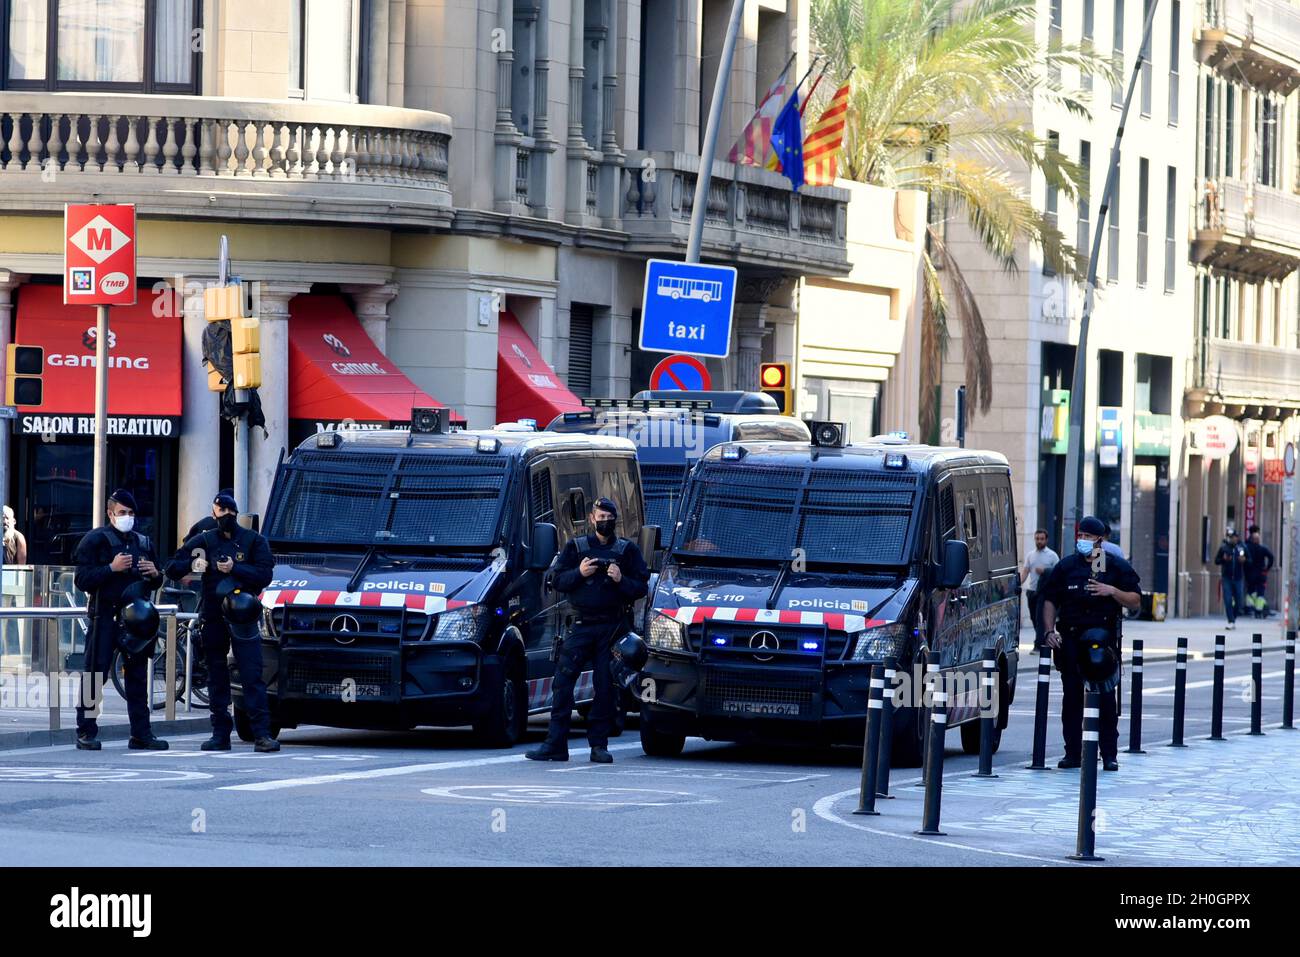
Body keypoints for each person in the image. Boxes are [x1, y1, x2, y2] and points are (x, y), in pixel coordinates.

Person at [527, 497, 649, 763]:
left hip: (611, 627)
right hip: (582, 624)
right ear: (591, 519)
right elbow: (557, 580)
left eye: (608, 517)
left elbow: (641, 587)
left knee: (605, 688)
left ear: (614, 519)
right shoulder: (576, 547)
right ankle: (555, 745)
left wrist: (620, 579)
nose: (604, 522)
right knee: (562, 683)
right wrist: (580, 573)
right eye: (600, 517)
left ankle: (599, 746)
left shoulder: (626, 550)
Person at [166, 490, 277, 752]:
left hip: (244, 616)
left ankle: (262, 733)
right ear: (213, 513)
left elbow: (265, 574)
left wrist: (235, 569)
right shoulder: (204, 540)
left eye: (229, 512)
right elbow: (172, 566)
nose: (225, 516)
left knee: (252, 673)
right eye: (220, 511)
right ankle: (220, 733)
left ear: (236, 513)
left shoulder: (252, 540)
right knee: (216, 675)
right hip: (214, 615)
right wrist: (196, 564)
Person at [1038, 515, 1142, 772]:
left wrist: (1112, 591)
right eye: (1080, 535)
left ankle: (1109, 754)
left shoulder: (1114, 566)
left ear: (1099, 540)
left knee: (1106, 700)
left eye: (1087, 536)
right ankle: (1073, 753)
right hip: (1071, 638)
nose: (1082, 540)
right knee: (1072, 698)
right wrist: (1048, 631)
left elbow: (1136, 600)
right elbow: (1050, 599)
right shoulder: (1066, 566)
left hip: (1101, 641)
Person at [72, 489, 168, 751]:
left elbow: (157, 577)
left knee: (137, 678)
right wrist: (110, 569)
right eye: (122, 513)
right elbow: (81, 580)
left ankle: (141, 734)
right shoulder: (95, 540)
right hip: (105, 616)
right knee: (95, 674)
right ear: (110, 513)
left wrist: (154, 574)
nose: (127, 517)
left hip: (136, 620)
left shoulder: (143, 542)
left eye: (131, 513)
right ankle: (86, 731)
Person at [1019, 529, 1059, 648]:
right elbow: (1025, 571)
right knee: (1033, 617)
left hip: (1045, 592)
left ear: (1046, 540)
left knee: (1040, 617)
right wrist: (1018, 584)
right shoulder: (1030, 555)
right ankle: (1042, 638)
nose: (1039, 541)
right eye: (1037, 539)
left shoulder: (1052, 556)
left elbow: (1058, 574)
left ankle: (1040, 643)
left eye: (1042, 539)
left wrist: (1046, 571)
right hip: (1032, 591)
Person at [1214, 527, 1250, 630]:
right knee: (1228, 599)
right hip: (1227, 578)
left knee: (1239, 600)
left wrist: (1244, 560)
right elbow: (1216, 560)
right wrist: (1224, 559)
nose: (1231, 539)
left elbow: (1250, 560)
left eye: (1233, 537)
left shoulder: (1242, 548)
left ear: (1237, 537)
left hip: (1238, 578)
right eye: (1229, 537)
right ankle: (1230, 620)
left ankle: (1233, 617)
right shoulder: (1224, 548)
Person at [1245, 525, 1275, 619]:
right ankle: (1259, 610)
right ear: (1257, 540)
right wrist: (1267, 567)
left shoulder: (1247, 547)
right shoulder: (1262, 548)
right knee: (1260, 593)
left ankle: (1251, 607)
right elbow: (1271, 557)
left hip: (1250, 573)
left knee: (1251, 592)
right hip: (1261, 573)